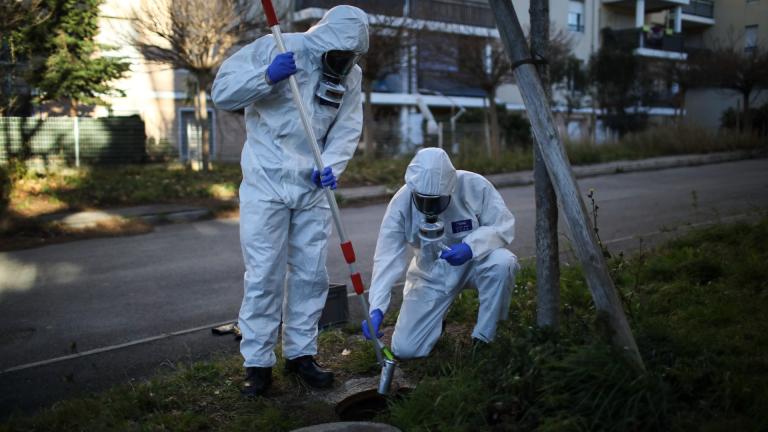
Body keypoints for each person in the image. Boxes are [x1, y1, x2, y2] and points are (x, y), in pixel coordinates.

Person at [212, 6, 369, 397]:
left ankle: (301, 355)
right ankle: (258, 363)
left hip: (313, 188)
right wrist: (265, 77)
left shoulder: (351, 75)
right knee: (264, 272)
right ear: (324, 44)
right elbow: (222, 92)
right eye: (339, 56)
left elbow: (348, 126)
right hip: (266, 182)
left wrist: (333, 165)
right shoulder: (278, 48)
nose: (344, 63)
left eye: (352, 57)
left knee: (311, 274)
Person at [362, 148, 519, 359]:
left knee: (503, 263)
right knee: (406, 350)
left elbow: (503, 224)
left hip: (475, 263)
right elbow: (386, 258)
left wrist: (471, 247)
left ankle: (484, 338)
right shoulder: (401, 203)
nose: (430, 209)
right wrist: (377, 308)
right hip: (431, 274)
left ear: (450, 188)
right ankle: (437, 321)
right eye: (424, 201)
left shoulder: (474, 185)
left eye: (436, 201)